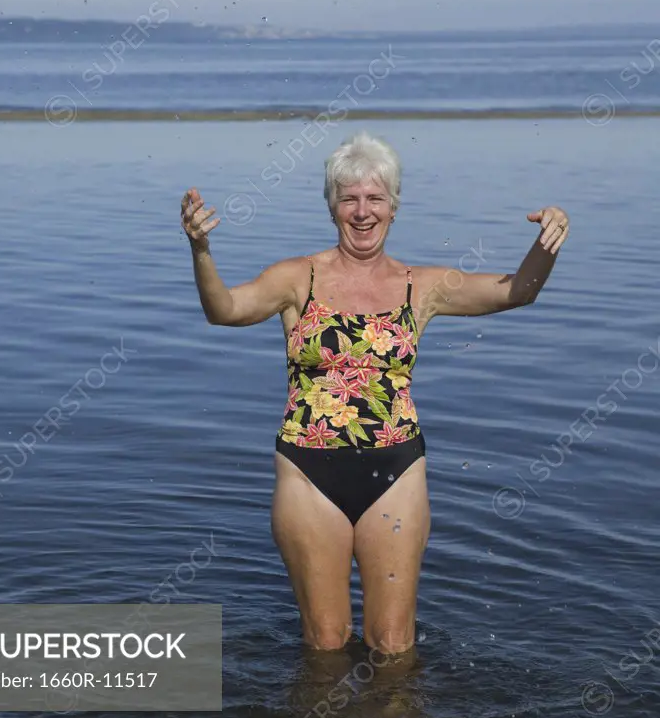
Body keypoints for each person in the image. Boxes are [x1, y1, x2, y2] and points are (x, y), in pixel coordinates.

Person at [180, 132, 569, 655]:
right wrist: (201, 250)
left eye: (374, 199)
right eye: (349, 199)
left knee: (392, 643)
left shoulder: (422, 284)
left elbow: (517, 291)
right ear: (332, 207)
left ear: (394, 207)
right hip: (307, 473)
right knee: (325, 640)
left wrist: (545, 245)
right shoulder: (297, 278)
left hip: (397, 472)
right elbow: (223, 310)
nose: (362, 212)